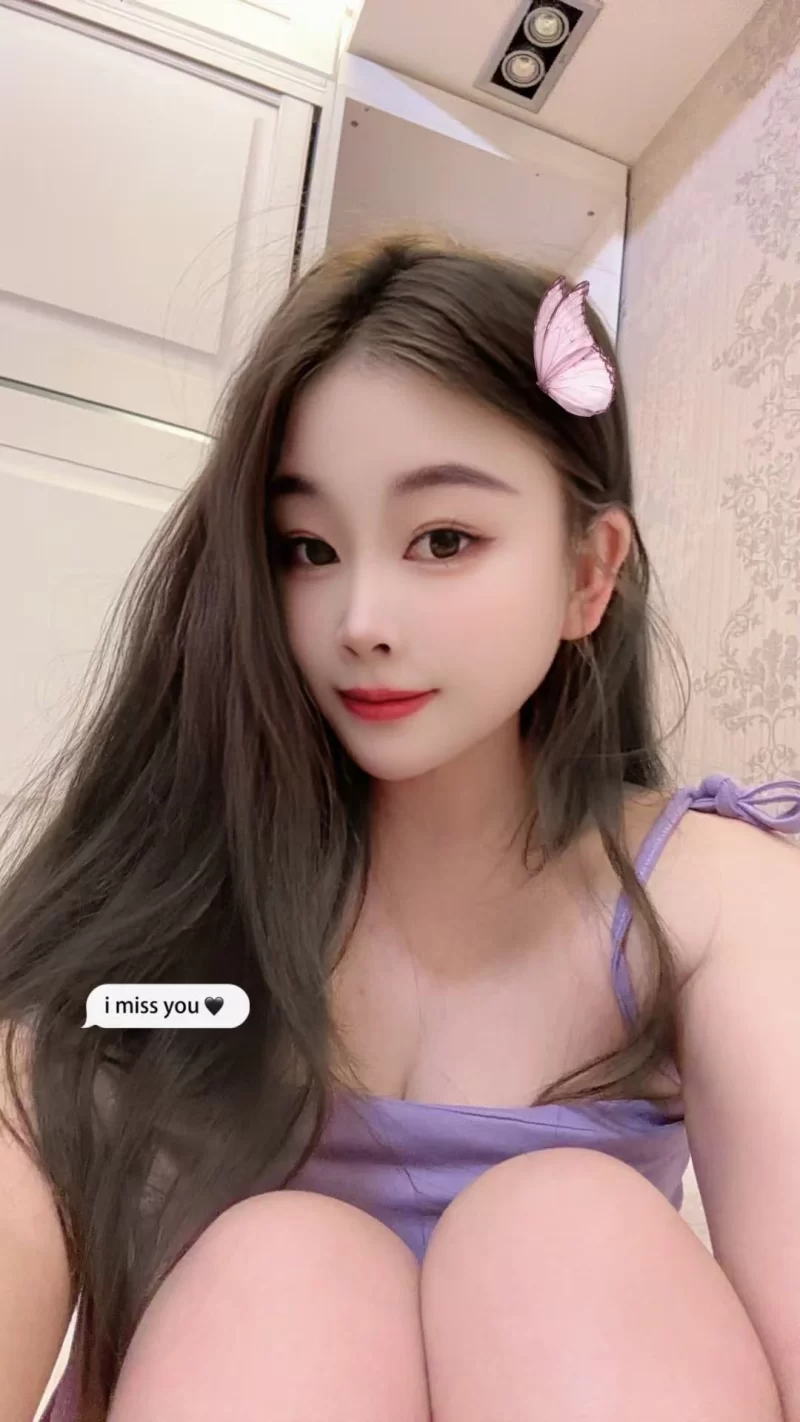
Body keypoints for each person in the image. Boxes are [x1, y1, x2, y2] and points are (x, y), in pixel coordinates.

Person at [1, 230, 799, 1422]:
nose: (360, 619)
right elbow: (46, 1075)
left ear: (589, 573)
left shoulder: (706, 899)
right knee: (285, 1270)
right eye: (306, 550)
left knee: (559, 1231)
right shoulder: (177, 926)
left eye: (443, 540)